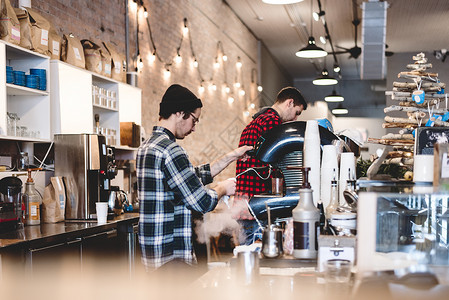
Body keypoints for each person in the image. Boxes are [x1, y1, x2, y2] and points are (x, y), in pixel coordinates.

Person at [136, 84, 251, 275]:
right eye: (194, 120)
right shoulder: (171, 150)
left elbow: (190, 178)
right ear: (180, 113)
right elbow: (202, 202)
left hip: (153, 255)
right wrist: (222, 188)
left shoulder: (148, 146)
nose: (194, 128)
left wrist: (232, 156)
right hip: (171, 258)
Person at [233, 86, 308, 245]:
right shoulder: (272, 121)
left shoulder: (255, 122)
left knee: (246, 253)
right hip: (256, 204)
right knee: (257, 257)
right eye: (297, 113)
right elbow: (279, 160)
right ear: (289, 103)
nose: (295, 119)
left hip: (243, 203)